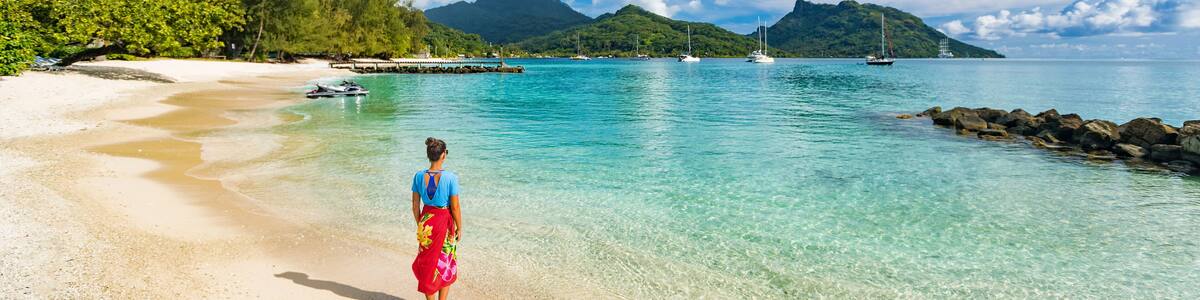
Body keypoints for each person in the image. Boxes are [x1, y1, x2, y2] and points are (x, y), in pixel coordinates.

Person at [411, 137, 461, 300]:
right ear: (443, 155)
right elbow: (454, 207)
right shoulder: (451, 178)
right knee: (445, 260)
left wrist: (421, 223)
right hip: (443, 221)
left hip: (426, 221)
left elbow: (415, 204)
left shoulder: (418, 176)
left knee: (428, 263)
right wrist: (460, 227)